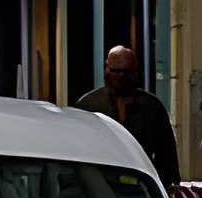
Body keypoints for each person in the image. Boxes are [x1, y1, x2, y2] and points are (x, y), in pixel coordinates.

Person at [77, 45, 180, 186]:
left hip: (141, 187)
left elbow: (167, 158)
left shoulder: (152, 107)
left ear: (135, 72)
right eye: (116, 71)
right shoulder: (88, 105)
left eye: (127, 71)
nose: (121, 76)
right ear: (107, 70)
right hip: (101, 186)